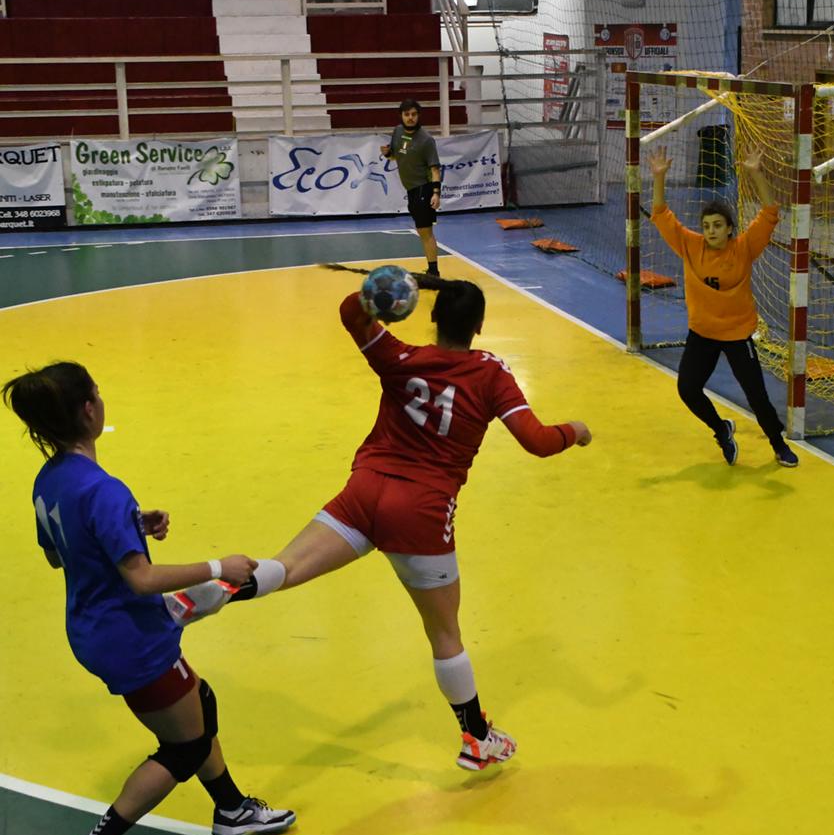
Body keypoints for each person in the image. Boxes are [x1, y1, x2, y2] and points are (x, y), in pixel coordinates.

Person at [173, 276, 592, 772]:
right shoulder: (491, 374)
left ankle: (191, 599)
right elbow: (537, 440)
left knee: (284, 567)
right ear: (480, 326)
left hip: (365, 493)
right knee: (445, 634)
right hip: (421, 513)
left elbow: (351, 311)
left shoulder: (401, 358)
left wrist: (390, 286)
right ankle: (476, 737)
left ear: (432, 318)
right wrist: (576, 432)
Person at [2, 362, 296, 835]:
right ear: (89, 410)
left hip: (95, 628)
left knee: (199, 702)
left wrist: (131, 528)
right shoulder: (103, 489)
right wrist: (217, 567)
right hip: (131, 637)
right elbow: (140, 579)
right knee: (183, 747)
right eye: (97, 392)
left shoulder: (49, 481)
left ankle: (231, 808)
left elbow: (56, 553)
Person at [649, 146, 799, 468]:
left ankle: (778, 444)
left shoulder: (743, 248)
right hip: (702, 333)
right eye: (707, 226)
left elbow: (770, 211)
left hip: (736, 334)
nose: (711, 231)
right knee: (688, 389)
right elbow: (661, 214)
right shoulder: (690, 246)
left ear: (729, 228)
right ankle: (721, 429)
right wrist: (659, 177)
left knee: (757, 396)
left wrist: (756, 173)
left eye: (718, 225)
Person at [381, 98, 443, 277]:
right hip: (411, 190)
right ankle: (432, 269)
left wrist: (436, 193)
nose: (410, 118)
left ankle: (433, 271)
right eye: (407, 114)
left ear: (419, 116)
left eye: (414, 114)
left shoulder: (426, 140)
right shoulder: (398, 132)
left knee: (425, 231)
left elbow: (434, 169)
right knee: (421, 230)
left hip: (423, 188)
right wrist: (387, 154)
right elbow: (395, 156)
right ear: (401, 115)